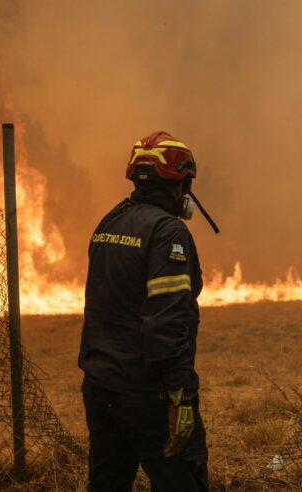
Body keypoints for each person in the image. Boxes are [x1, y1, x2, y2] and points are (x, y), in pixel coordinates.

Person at [78, 131, 209, 491]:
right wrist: (180, 395)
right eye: (187, 182)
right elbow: (167, 321)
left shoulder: (110, 223)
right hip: (147, 394)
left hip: (101, 388)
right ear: (178, 180)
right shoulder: (169, 233)